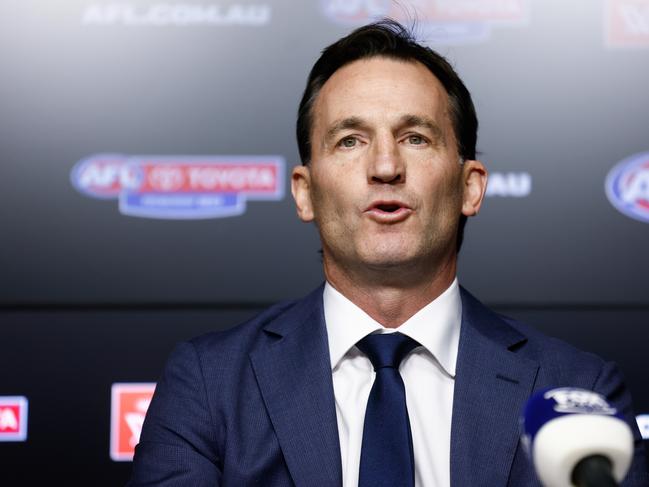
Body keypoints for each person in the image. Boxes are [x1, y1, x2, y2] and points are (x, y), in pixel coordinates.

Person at [128, 20, 648, 486]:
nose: (384, 167)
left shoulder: (577, 389)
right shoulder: (209, 383)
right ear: (304, 192)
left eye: (416, 138)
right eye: (350, 140)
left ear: (470, 187)